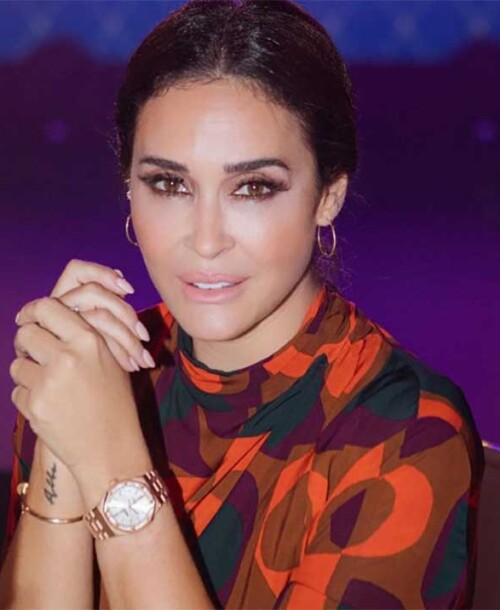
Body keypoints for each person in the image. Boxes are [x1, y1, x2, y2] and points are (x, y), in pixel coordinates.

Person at [0, 0, 484, 607]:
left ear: (328, 196)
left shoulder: (406, 430)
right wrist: (63, 438)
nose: (206, 240)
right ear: (128, 187)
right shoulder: (94, 368)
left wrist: (112, 463)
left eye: (253, 188)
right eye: (169, 184)